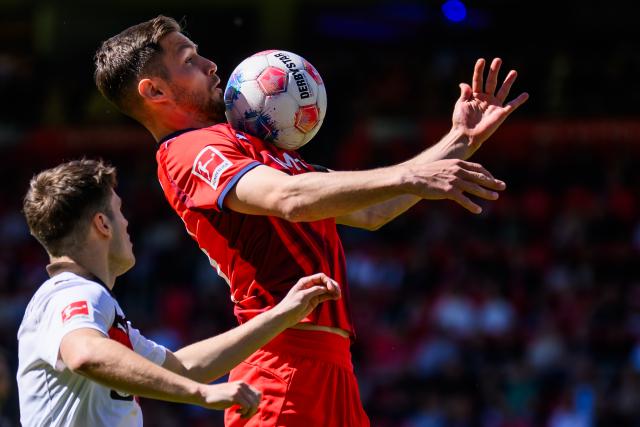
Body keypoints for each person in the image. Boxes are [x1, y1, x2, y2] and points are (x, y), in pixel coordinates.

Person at [93, 15, 528, 427]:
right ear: (154, 93)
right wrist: (409, 174)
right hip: (282, 365)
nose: (210, 65)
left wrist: (459, 141)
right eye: (189, 61)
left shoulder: (247, 143)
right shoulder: (188, 151)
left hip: (332, 365)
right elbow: (288, 198)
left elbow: (371, 210)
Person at [16, 159, 340, 427]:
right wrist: (200, 394)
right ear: (102, 224)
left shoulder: (85, 301)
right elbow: (85, 353)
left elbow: (180, 367)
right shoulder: (73, 294)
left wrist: (282, 314)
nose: (127, 224)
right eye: (120, 212)